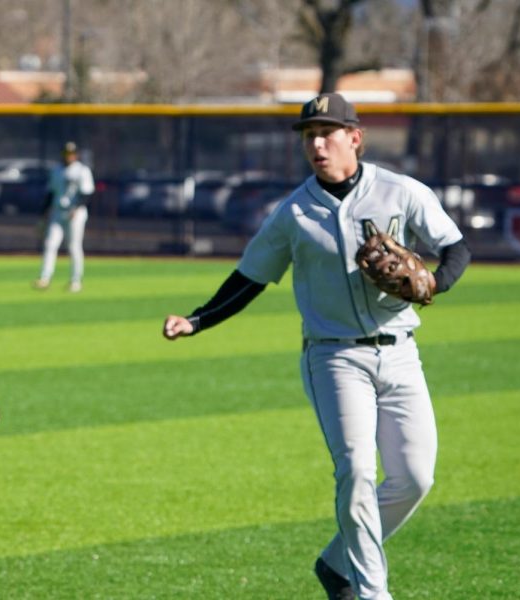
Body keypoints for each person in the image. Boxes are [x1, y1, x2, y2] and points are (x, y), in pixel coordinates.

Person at [162, 93, 471, 600]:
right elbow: (250, 278)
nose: (317, 143)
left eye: (328, 132)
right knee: (356, 469)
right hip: (334, 358)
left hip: (400, 352)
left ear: (355, 138)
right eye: (309, 135)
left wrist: (437, 282)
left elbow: (456, 246)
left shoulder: (400, 191)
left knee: (416, 477)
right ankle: (373, 593)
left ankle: (335, 564)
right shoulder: (294, 213)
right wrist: (197, 321)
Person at [33, 141, 95, 292]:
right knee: (50, 244)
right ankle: (45, 278)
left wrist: (77, 208)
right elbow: (50, 193)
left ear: (76, 155)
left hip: (76, 214)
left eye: (72, 153)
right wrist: (42, 215)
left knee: (74, 246)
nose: (69, 156)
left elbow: (87, 194)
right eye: (67, 153)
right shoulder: (56, 170)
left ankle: (76, 280)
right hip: (57, 211)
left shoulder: (82, 170)